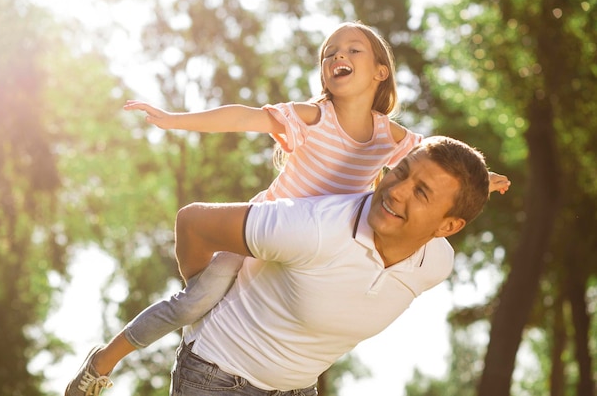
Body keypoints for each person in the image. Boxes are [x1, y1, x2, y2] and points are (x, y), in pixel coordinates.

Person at [65, 22, 510, 396]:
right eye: (329, 51)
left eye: (353, 48)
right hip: (260, 235)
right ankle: (103, 361)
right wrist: (175, 119)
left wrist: (483, 183)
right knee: (192, 305)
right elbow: (242, 117)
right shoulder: (314, 118)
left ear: (380, 71)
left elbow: (444, 171)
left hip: (310, 253)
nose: (338, 54)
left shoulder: (390, 138)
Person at [169, 135, 491, 395]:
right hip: (216, 376)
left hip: (298, 388)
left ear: (448, 226)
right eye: (401, 172)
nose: (396, 191)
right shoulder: (313, 228)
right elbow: (193, 223)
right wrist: (201, 298)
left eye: (421, 192)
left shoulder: (435, 264)